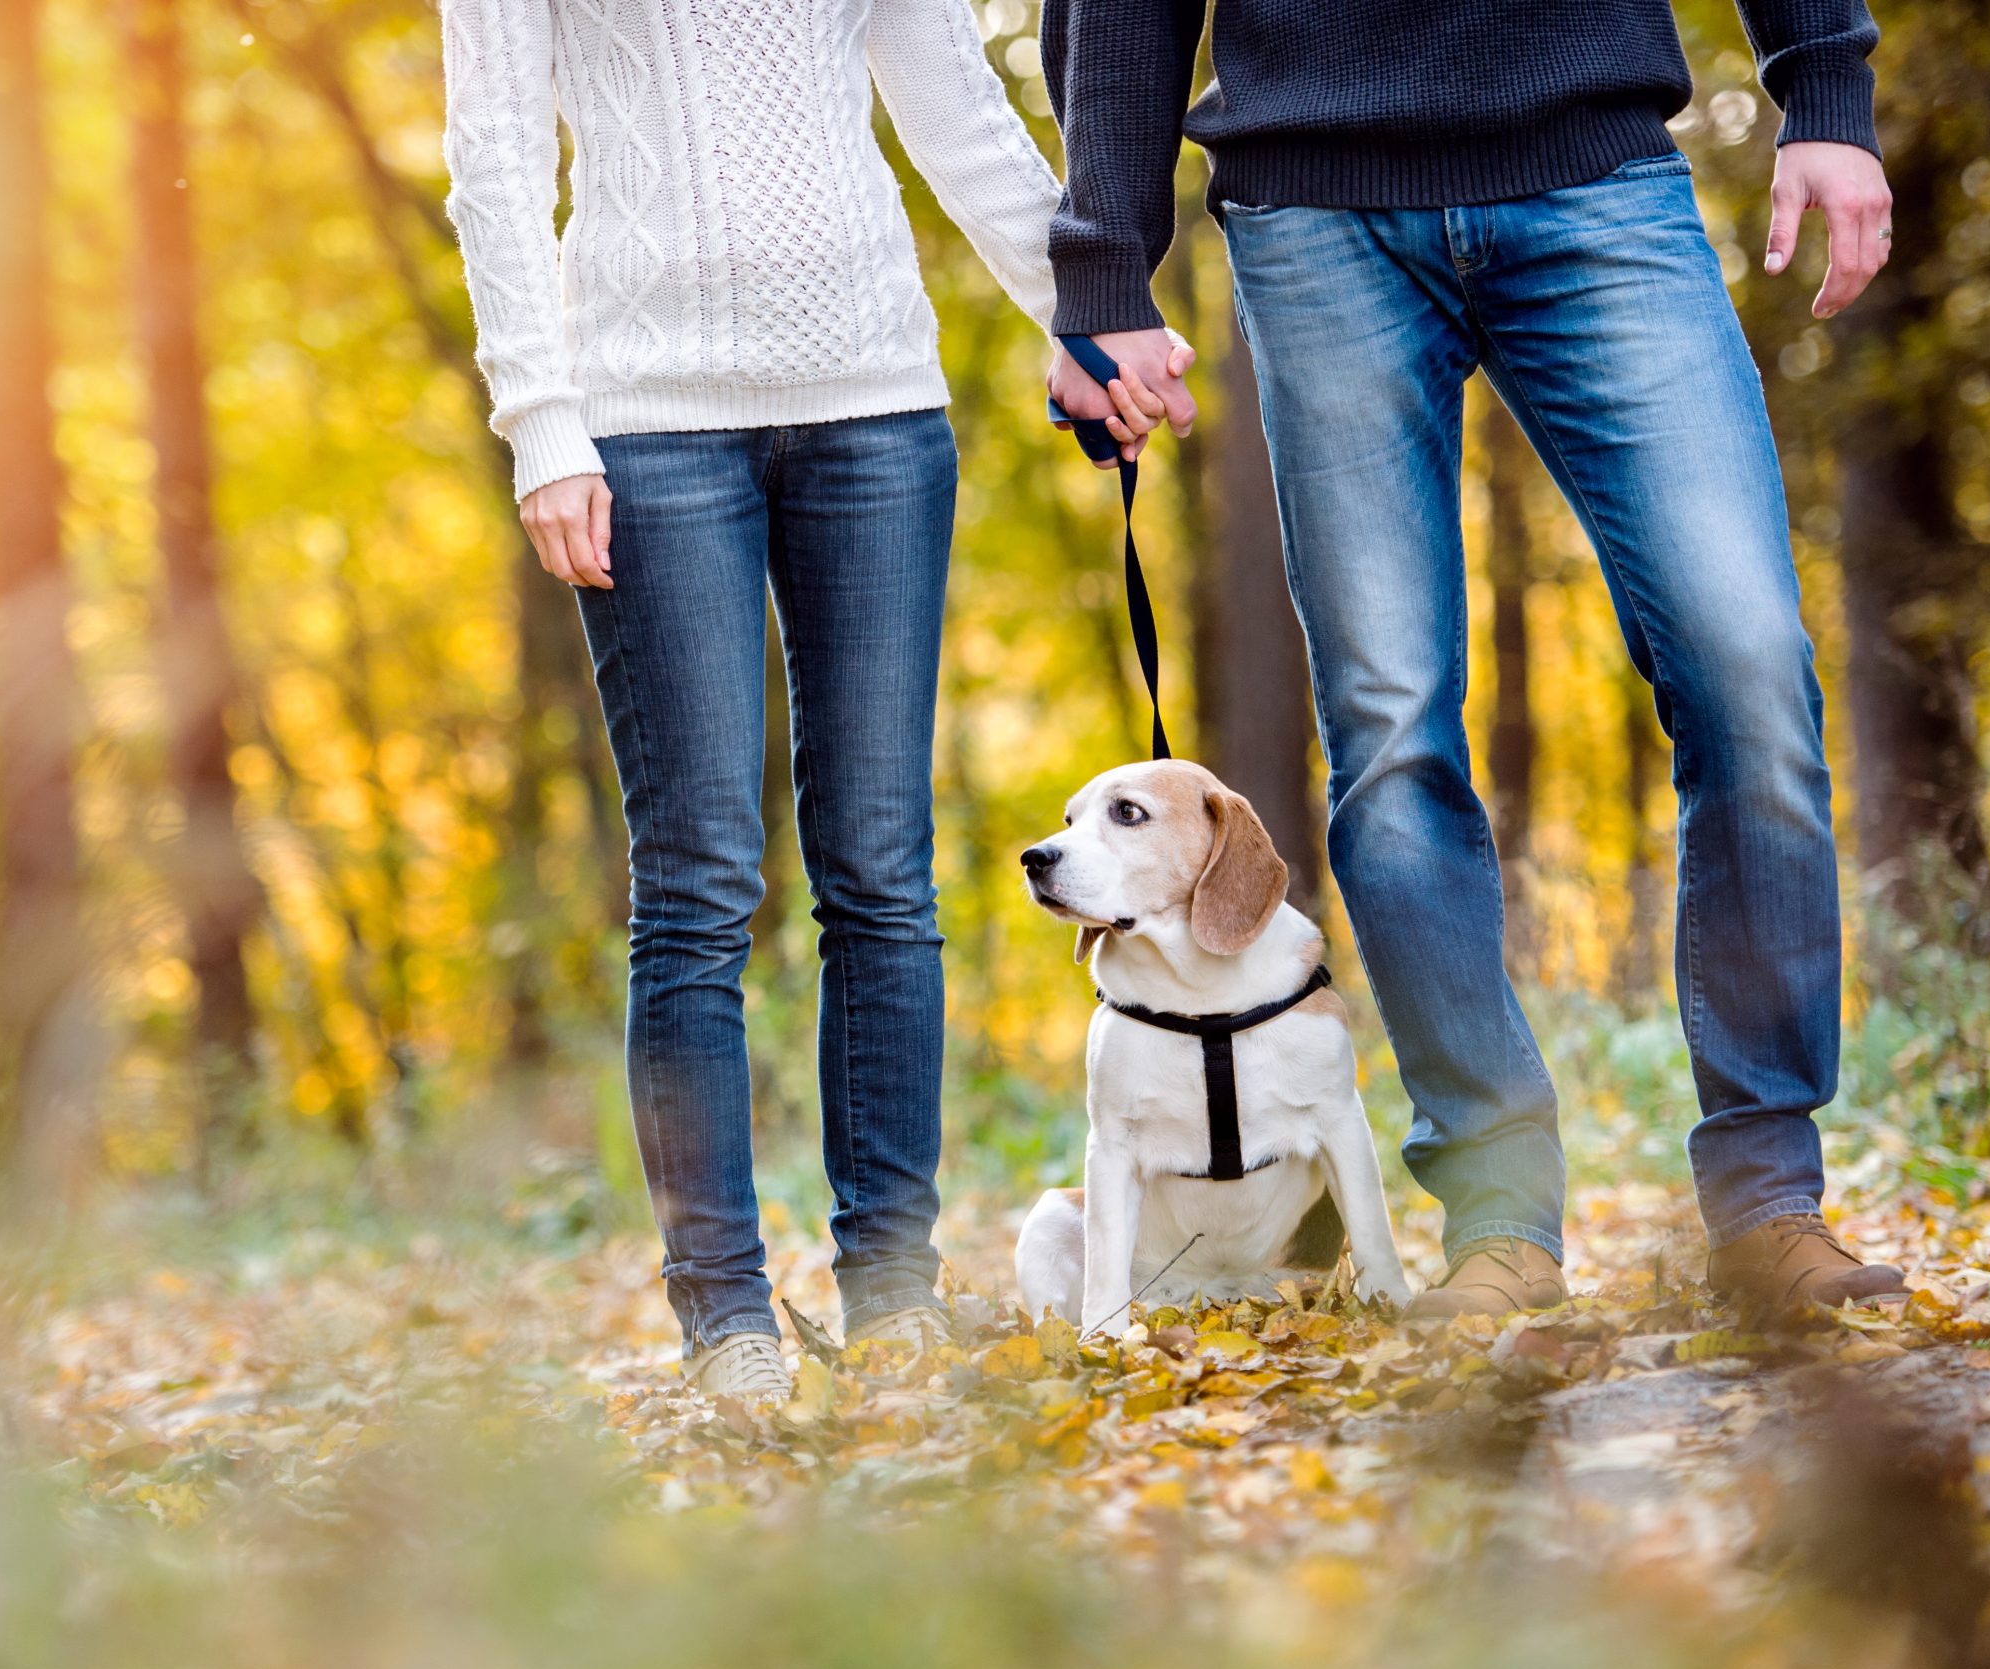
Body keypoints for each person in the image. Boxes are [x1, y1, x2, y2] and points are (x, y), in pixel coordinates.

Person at [1041, 0, 1910, 1319]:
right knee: (1390, 735)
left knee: (1749, 663)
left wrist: (1827, 93)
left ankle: (1770, 1202)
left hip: (1597, 170)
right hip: (1312, 204)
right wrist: (1105, 266)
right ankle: (1500, 1223)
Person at [441, 0, 1086, 1400]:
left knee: (882, 872)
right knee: (698, 885)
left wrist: (1080, 309)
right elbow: (491, 151)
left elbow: (952, 102)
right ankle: (724, 1316)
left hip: (875, 405)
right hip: (645, 419)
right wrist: (539, 418)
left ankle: (895, 1292)